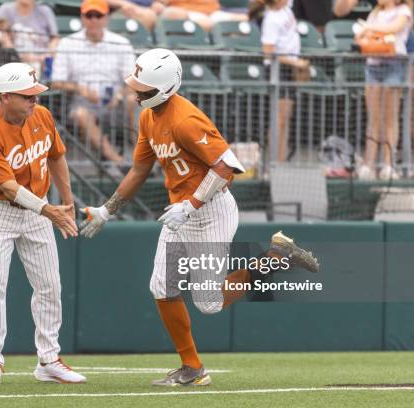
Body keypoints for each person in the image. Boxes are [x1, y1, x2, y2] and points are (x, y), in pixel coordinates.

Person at [79, 48, 319, 386]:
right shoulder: (148, 116)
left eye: (142, 87)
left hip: (210, 210)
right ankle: (192, 368)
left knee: (208, 302)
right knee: (162, 287)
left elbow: (229, 167)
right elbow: (138, 169)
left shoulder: (185, 118)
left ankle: (276, 258)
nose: (135, 92)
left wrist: (191, 204)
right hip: (180, 212)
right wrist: (107, 210)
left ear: (162, 87)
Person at [0, 62, 85, 385]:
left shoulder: (42, 116)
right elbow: (7, 188)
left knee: (50, 285)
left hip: (39, 205)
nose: (34, 100)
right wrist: (49, 210)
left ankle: (49, 359)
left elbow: (57, 156)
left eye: (36, 94)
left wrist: (68, 201)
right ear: (5, 97)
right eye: (27, 96)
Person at [51, 0, 137, 167]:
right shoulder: (68, 43)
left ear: (106, 18)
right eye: (89, 15)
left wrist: (118, 96)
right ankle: (118, 162)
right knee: (81, 114)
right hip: (82, 104)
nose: (94, 20)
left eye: (98, 15)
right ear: (82, 18)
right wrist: (80, 89)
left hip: (116, 103)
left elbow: (133, 80)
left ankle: (140, 157)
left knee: (134, 99)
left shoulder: (120, 42)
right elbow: (56, 82)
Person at [354, 0, 413, 180]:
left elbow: (395, 28)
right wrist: (365, 31)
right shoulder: (375, 13)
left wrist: (368, 28)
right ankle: (368, 164)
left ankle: (389, 164)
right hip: (372, 66)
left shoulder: (404, 11)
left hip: (393, 66)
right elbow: (359, 37)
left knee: (390, 118)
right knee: (374, 118)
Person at [249, 0, 310, 162]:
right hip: (278, 70)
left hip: (289, 69)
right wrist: (294, 62)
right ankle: (274, 163)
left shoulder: (286, 10)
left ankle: (281, 161)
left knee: (286, 117)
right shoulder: (271, 19)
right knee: (279, 119)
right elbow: (268, 52)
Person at [0, 0, 59, 74]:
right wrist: (18, 56)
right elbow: (2, 36)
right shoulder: (5, 10)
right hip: (14, 63)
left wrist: (47, 56)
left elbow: (55, 38)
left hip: (42, 62)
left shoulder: (45, 11)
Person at [152, 0, 248, 32]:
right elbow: (158, 5)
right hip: (188, 14)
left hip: (214, 14)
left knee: (245, 20)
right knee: (206, 22)